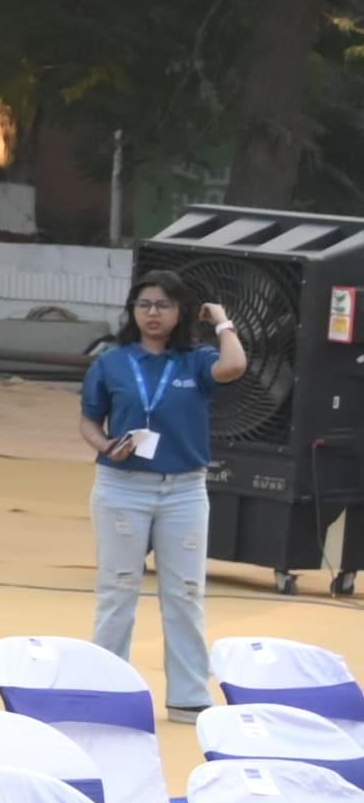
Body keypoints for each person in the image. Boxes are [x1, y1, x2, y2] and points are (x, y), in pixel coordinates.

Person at [86, 268, 244, 712]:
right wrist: (104, 445)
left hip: (184, 491)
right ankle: (108, 691)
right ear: (132, 311)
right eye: (144, 305)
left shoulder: (195, 360)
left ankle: (190, 697)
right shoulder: (112, 361)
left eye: (163, 305)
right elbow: (89, 420)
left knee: (186, 592)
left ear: (181, 313)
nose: (152, 313)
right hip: (122, 486)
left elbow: (234, 366)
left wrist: (223, 321)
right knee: (118, 589)